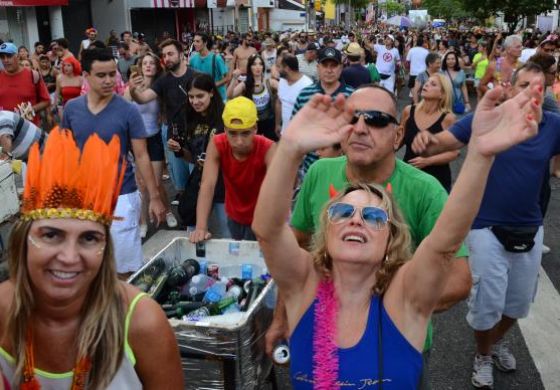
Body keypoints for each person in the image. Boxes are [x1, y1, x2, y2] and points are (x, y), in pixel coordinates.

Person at [253, 77, 541, 389]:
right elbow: (269, 232)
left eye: (374, 215)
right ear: (326, 229)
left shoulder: (404, 297)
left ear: (391, 240)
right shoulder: (304, 285)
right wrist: (290, 148)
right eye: (343, 212)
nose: (356, 220)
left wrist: (481, 155)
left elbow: (444, 245)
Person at [0, 129, 184, 388]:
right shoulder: (2, 310)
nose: (69, 257)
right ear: (22, 240)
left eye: (89, 238)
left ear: (106, 248)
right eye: (51, 235)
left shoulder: (141, 323)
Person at [412, 62, 554, 389]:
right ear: (511, 87)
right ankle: (483, 354)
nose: (532, 94)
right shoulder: (488, 118)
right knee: (487, 304)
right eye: (525, 86)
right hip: (484, 227)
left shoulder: (552, 126)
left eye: (539, 87)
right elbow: (448, 139)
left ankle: (497, 342)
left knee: (517, 304)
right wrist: (427, 142)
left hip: (530, 226)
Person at [61, 47, 166, 278]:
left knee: (124, 271)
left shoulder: (128, 110)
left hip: (122, 197)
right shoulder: (72, 109)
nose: (109, 80)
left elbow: (141, 156)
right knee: (89, 267)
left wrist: (155, 197)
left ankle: (123, 312)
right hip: (84, 198)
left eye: (112, 74)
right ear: (86, 76)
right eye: (101, 75)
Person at [190, 96, 276, 243]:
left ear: (255, 128)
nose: (239, 141)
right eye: (233, 133)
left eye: (245, 133)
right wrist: (201, 227)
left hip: (263, 219)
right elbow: (207, 185)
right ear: (225, 130)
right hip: (233, 215)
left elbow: (278, 190)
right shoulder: (217, 144)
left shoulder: (268, 148)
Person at [129, 39, 196, 205]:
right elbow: (143, 99)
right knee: (180, 184)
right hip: (174, 136)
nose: (167, 58)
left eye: (170, 54)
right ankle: (189, 220)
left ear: (181, 54)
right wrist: (132, 90)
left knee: (198, 180)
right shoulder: (163, 81)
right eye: (164, 55)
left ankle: (199, 222)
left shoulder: (196, 76)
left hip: (196, 135)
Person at [167, 73, 229, 237]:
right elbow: (194, 158)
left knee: (228, 236)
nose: (195, 101)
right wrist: (179, 150)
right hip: (201, 180)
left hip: (225, 184)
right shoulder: (189, 117)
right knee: (194, 233)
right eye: (191, 97)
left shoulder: (225, 116)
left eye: (200, 96)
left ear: (212, 93)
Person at [124, 52, 177, 235]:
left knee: (155, 182)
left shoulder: (158, 88)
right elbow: (124, 106)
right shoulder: (131, 86)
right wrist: (131, 88)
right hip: (136, 140)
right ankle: (143, 221)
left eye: (151, 63)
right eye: (144, 63)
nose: (147, 66)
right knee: (142, 184)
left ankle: (168, 211)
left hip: (153, 137)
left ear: (156, 67)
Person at [291, 47, 354, 178]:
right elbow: (294, 132)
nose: (329, 70)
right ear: (318, 67)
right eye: (325, 65)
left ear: (341, 68)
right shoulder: (305, 94)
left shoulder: (352, 96)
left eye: (333, 65)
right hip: (310, 170)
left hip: (343, 171)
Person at [401, 74, 458, 192]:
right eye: (427, 82)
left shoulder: (448, 118)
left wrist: (427, 161)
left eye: (433, 84)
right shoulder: (408, 111)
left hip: (436, 179)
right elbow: (398, 141)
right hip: (408, 174)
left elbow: (453, 153)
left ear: (442, 94)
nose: (426, 84)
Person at [227, 54, 279, 141]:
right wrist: (234, 78)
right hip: (252, 123)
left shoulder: (269, 82)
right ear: (250, 67)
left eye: (260, 64)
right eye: (254, 64)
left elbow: (286, 91)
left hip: (269, 122)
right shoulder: (245, 84)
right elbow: (229, 95)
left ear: (263, 67)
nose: (258, 67)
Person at [0, 42, 50, 126]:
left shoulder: (33, 75)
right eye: (2, 57)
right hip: (5, 131)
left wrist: (31, 110)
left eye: (9, 56)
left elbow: (46, 101)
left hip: (28, 130)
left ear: (18, 56)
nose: (5, 60)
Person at [275, 53, 313, 135]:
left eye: (278, 66)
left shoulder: (307, 85)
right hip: (284, 132)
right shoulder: (282, 80)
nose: (276, 69)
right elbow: (279, 102)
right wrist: (277, 124)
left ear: (287, 69)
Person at [189, 31, 229, 102]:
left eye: (198, 41)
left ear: (205, 43)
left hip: (218, 97)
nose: (194, 43)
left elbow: (227, 78)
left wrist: (213, 85)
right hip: (202, 98)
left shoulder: (217, 58)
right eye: (194, 41)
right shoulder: (193, 59)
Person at [442, 50, 470, 115]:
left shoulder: (461, 72)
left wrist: (467, 102)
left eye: (452, 59)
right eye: (448, 59)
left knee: (457, 120)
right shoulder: (441, 72)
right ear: (445, 61)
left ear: (456, 60)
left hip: (458, 101)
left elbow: (464, 87)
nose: (450, 61)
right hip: (445, 102)